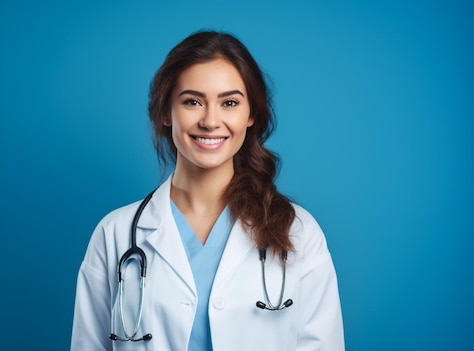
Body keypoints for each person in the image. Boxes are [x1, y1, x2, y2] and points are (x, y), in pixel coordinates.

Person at [71, 30, 345, 351]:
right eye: (192, 102)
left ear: (251, 114)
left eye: (229, 102)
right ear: (165, 112)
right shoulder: (114, 234)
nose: (211, 121)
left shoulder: (299, 232)